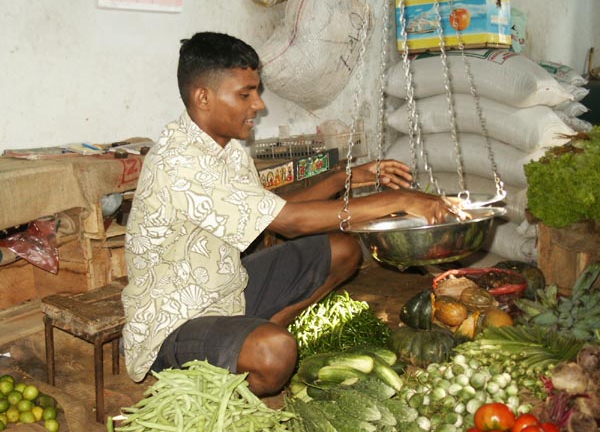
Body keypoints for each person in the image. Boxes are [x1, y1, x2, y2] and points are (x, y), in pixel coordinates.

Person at [122, 31, 453, 396]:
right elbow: (290, 224)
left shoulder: (226, 149)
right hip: (174, 322)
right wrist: (398, 200)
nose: (258, 105)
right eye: (245, 94)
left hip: (227, 290)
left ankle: (245, 340)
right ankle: (228, 367)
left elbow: (274, 209)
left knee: (342, 250)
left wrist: (346, 176)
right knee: (275, 353)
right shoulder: (180, 162)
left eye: (256, 92)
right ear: (203, 97)